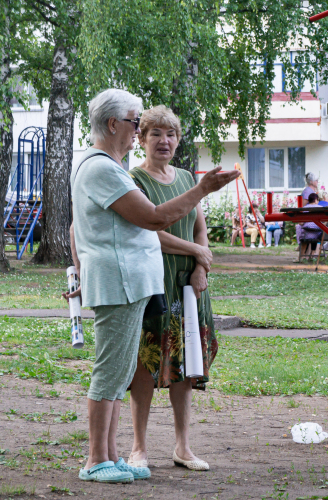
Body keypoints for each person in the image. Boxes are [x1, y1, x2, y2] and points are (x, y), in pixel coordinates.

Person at [67, 90, 239, 484]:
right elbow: (155, 218)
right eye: (135, 123)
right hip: (119, 281)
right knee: (110, 372)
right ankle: (96, 460)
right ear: (115, 125)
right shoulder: (104, 168)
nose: (137, 131)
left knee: (122, 367)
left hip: (129, 282)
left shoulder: (104, 166)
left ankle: (110, 455)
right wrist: (204, 188)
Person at [126, 105, 227, 472]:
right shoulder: (134, 181)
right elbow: (149, 231)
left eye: (170, 134)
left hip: (189, 287)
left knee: (187, 363)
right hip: (154, 282)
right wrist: (196, 251)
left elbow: (199, 226)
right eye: (155, 134)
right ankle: (138, 448)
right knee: (146, 363)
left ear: (178, 140)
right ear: (142, 139)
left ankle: (183, 447)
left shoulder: (187, 178)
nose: (164, 141)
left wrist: (201, 265)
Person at [299, 193, 323, 258]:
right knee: (314, 232)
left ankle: (302, 255)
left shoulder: (304, 208)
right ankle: (312, 255)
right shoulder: (321, 208)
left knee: (304, 232)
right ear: (315, 200)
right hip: (318, 233)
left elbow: (301, 222)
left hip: (307, 233)